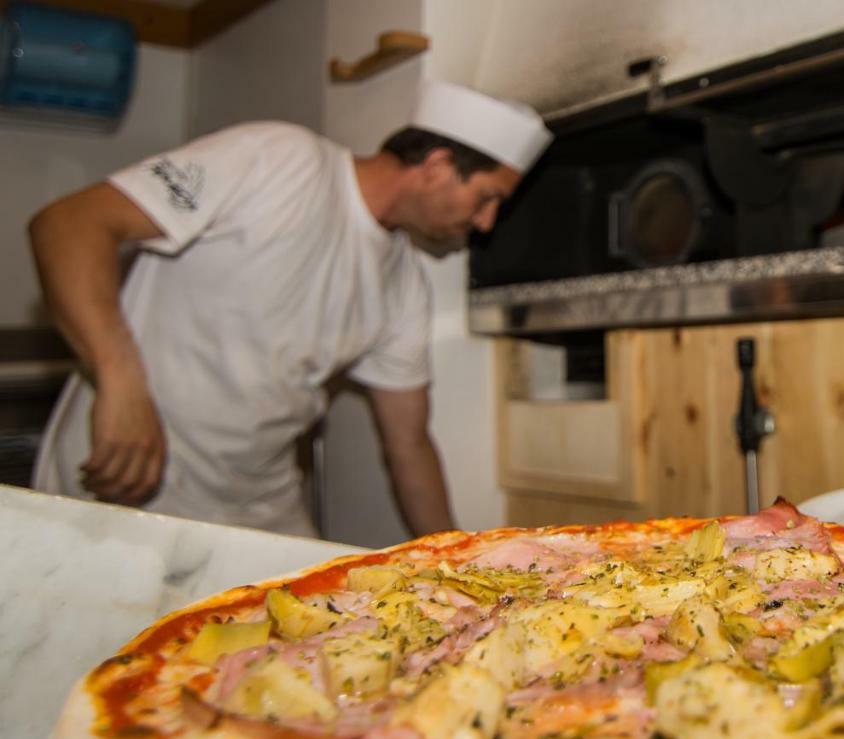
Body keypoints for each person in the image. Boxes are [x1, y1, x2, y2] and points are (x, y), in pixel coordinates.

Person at [28, 80, 552, 537]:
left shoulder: (405, 286)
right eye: (486, 197)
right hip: (121, 483)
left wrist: (455, 557)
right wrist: (120, 381)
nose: (487, 222)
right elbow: (69, 224)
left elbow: (409, 444)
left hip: (259, 507)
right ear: (437, 167)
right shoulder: (281, 158)